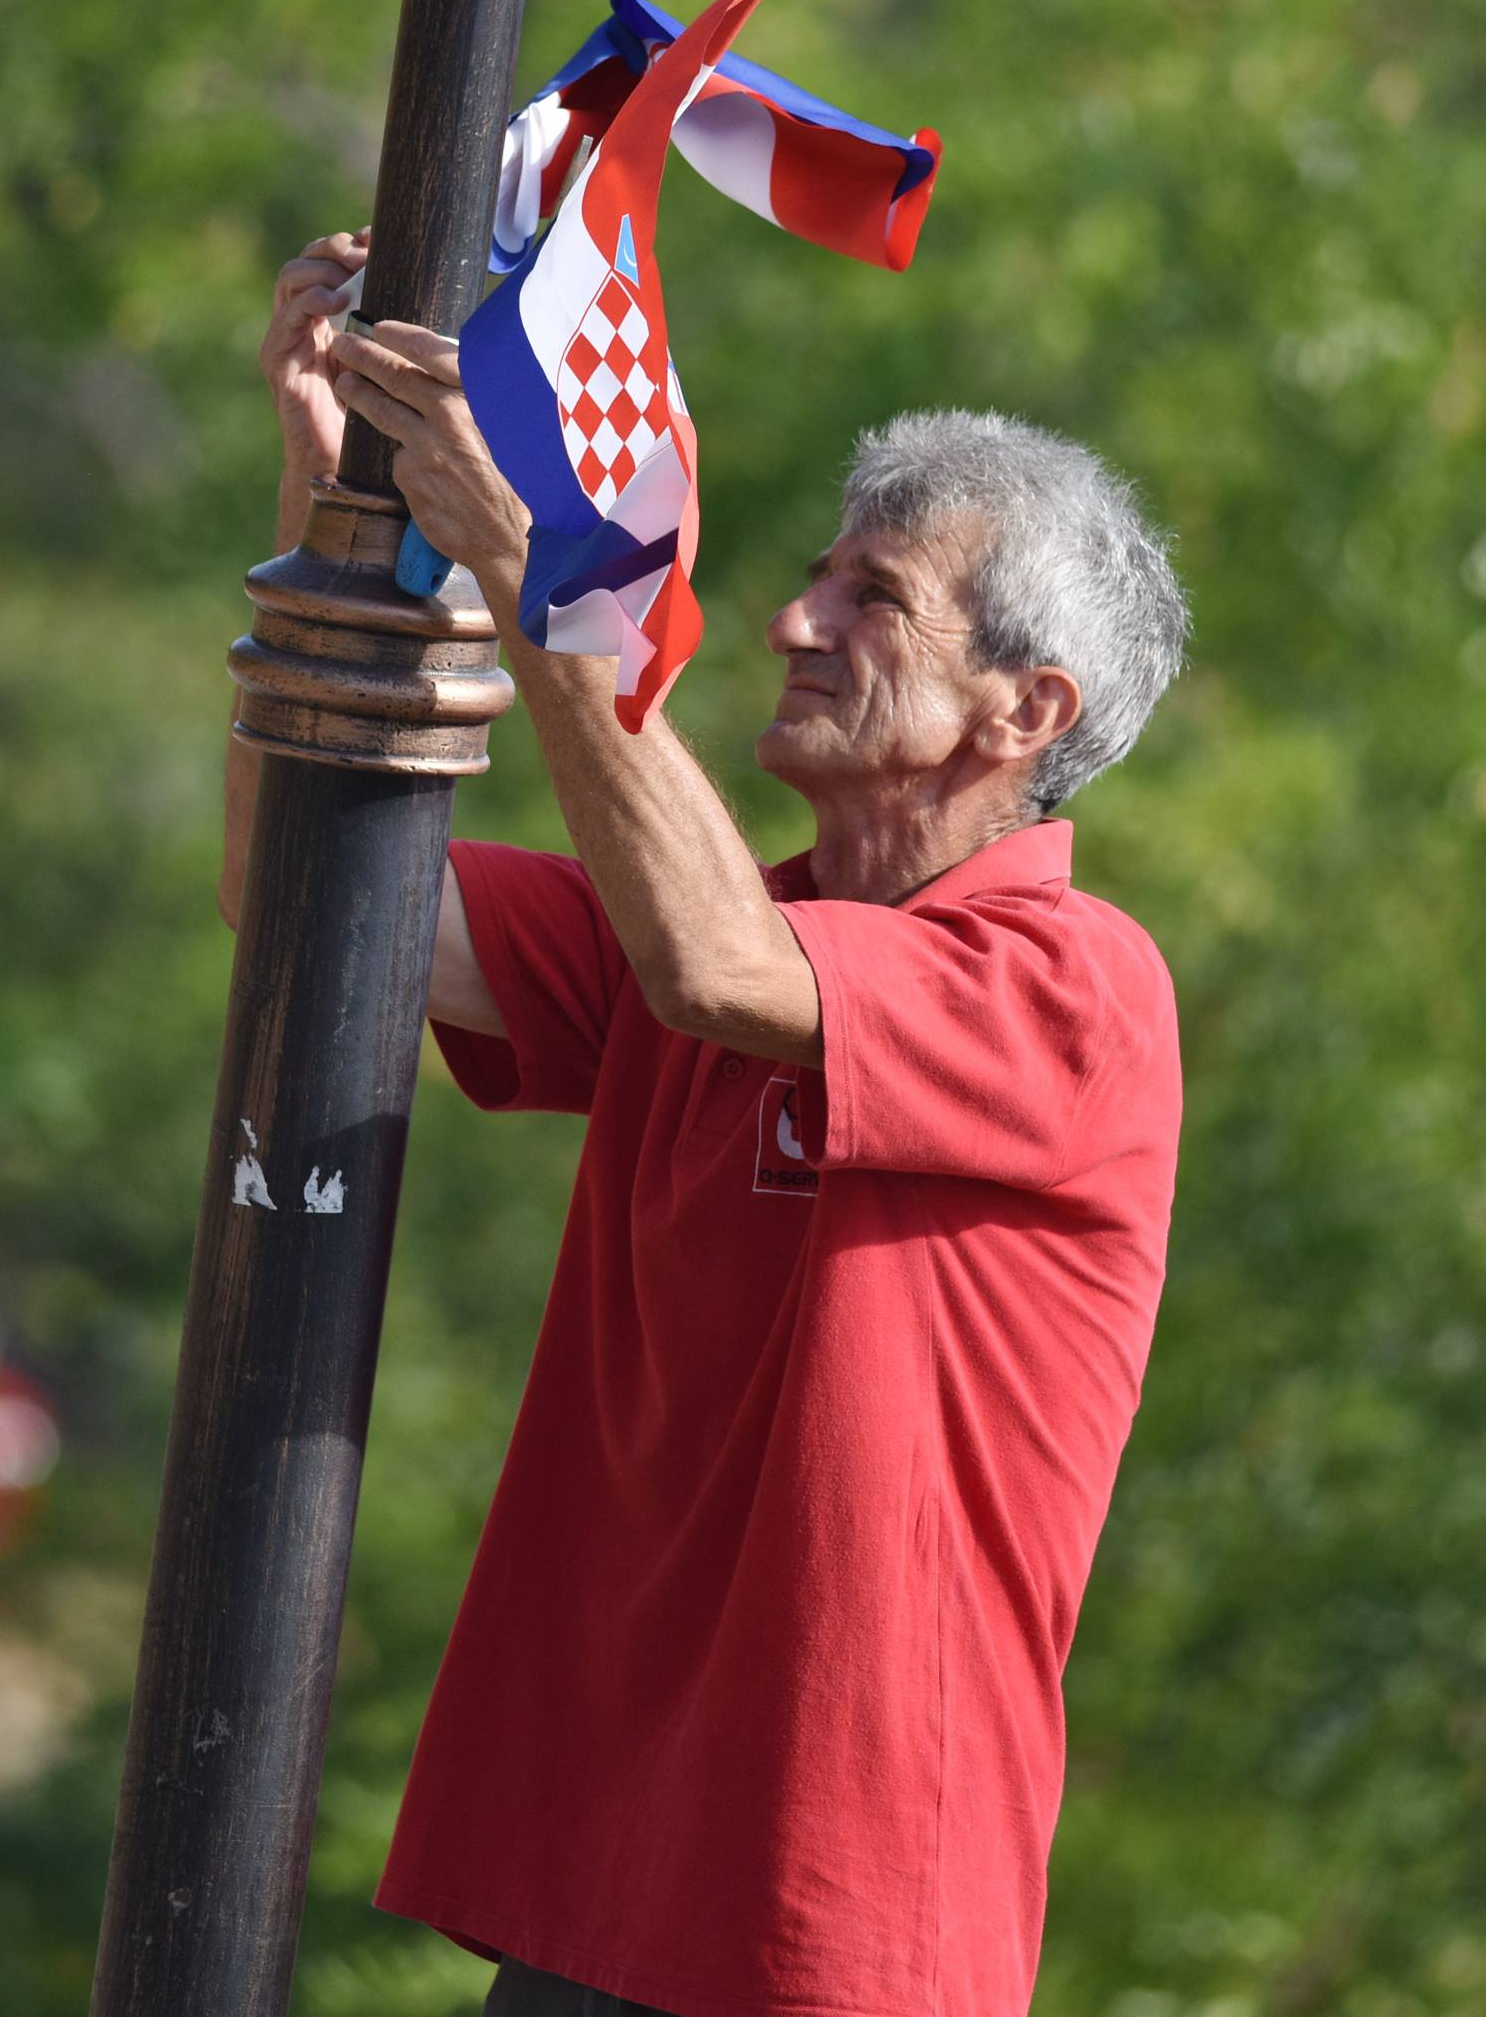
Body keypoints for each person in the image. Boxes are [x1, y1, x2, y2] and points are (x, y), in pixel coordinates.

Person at [222, 225, 1191, 2017]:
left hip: (839, 1942)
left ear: (1025, 711)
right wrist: (334, 502)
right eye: (819, 581)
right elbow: (310, 904)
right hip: (602, 1912)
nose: (792, 622)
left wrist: (534, 569)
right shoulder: (732, 917)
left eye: (872, 600)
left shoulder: (1080, 988)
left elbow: (716, 967)